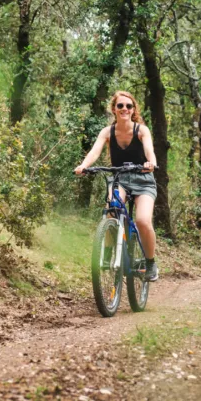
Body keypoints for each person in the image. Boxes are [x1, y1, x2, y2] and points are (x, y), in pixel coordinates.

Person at [74, 91, 159, 282]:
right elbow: (94, 152)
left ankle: (150, 262)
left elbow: (149, 150)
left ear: (133, 110)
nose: (124, 109)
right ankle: (107, 252)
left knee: (143, 220)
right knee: (111, 210)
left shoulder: (141, 130)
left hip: (143, 181)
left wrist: (151, 163)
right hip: (120, 179)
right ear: (114, 109)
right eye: (120, 106)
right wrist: (83, 166)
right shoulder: (107, 132)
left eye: (129, 106)